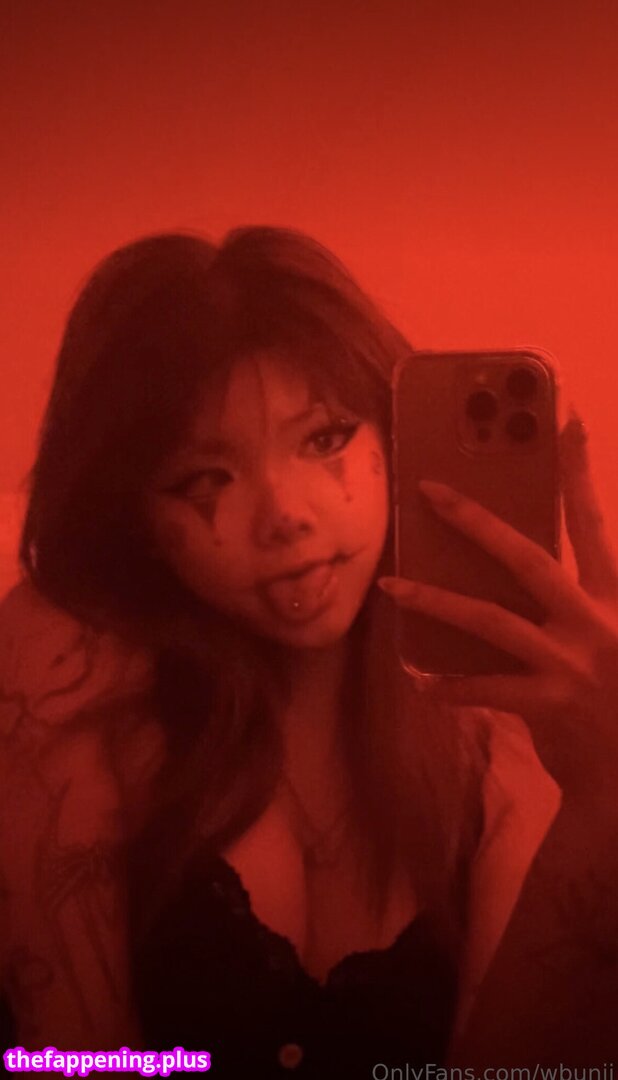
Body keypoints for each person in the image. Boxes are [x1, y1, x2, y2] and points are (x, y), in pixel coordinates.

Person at [0, 227, 616, 1076]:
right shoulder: (69, 676)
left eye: (325, 438)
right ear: (133, 515)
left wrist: (604, 793)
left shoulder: (496, 722)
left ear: (394, 434)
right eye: (204, 478)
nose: (286, 515)